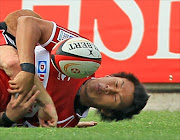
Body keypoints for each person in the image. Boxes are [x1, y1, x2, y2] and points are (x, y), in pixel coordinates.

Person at [0, 9, 149, 127]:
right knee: (15, 61)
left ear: (107, 112)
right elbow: (26, 21)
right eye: (116, 84)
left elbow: (17, 126)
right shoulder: (82, 54)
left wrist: (8, 118)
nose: (108, 89)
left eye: (115, 97)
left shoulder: (65, 121)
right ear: (110, 76)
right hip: (5, 51)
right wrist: (27, 70)